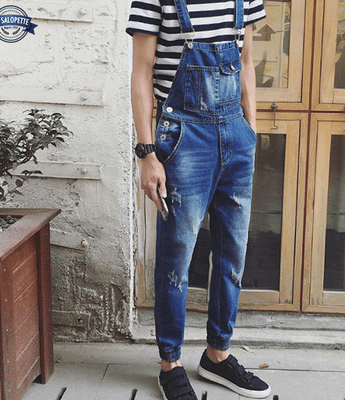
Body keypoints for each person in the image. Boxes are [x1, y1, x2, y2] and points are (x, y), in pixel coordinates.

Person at [127, 0, 271, 398]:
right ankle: (170, 364)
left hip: (235, 135)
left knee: (232, 254)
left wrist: (250, 130)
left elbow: (245, 61)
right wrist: (147, 154)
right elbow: (141, 72)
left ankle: (217, 355)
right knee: (176, 258)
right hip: (183, 138)